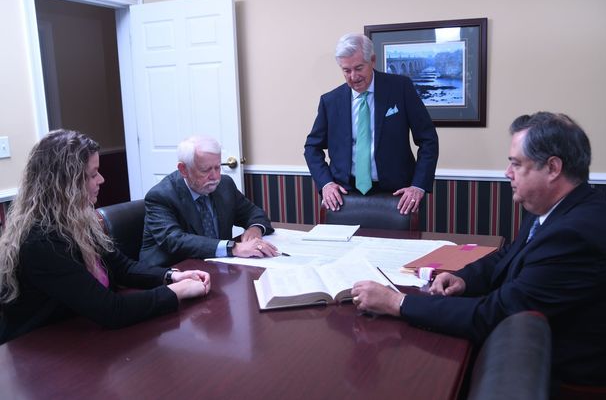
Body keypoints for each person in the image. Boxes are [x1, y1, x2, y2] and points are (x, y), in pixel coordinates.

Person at [351, 112, 606, 386]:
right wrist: (464, 278)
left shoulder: (576, 235)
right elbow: (510, 255)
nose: (507, 173)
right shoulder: (557, 208)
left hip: (560, 379)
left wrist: (396, 303)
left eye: (517, 164)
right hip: (528, 349)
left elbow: (494, 315)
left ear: (553, 168)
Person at [0, 130, 210, 344]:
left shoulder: (77, 221)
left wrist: (171, 276)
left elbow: (122, 267)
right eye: (92, 174)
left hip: (84, 336)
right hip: (40, 352)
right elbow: (112, 310)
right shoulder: (40, 241)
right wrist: (177, 292)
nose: (101, 179)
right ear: (65, 184)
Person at [304, 33, 439, 215]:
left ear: (373, 61)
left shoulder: (401, 88)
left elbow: (428, 139)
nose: (353, 76)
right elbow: (312, 147)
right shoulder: (330, 101)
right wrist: (326, 184)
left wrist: (418, 185)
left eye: (359, 68)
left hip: (398, 196)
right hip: (344, 196)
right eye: (346, 70)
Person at [140, 135, 277, 267]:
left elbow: (254, 213)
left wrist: (256, 228)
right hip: (170, 273)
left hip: (214, 266)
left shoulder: (224, 185)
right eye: (205, 170)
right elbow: (175, 241)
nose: (215, 177)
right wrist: (233, 248)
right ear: (183, 170)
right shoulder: (160, 196)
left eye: (217, 167)